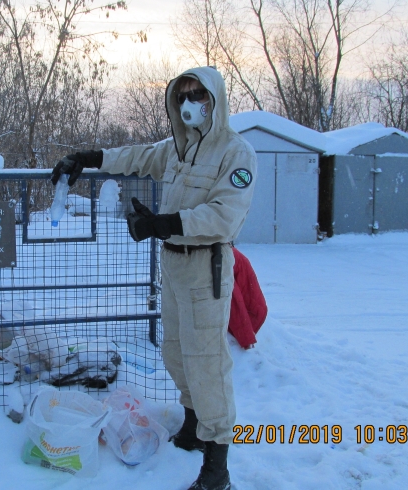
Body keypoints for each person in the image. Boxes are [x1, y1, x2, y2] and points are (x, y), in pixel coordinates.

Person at [52, 66, 257, 490]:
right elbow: (137, 156)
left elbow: (224, 215)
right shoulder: (177, 149)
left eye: (196, 94)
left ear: (214, 98)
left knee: (207, 362)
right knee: (176, 352)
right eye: (180, 95)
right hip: (174, 266)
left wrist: (165, 223)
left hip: (206, 267)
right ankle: (194, 423)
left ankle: (216, 468)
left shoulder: (236, 153)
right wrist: (88, 160)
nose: (188, 103)